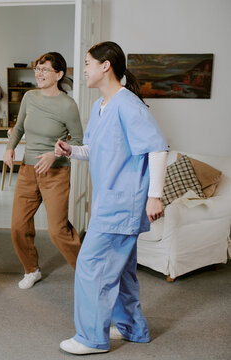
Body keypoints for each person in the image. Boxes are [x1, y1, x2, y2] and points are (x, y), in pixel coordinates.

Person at [56, 41, 168, 355]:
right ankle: (133, 329)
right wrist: (71, 150)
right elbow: (96, 150)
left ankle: (91, 337)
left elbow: (157, 147)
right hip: (111, 201)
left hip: (123, 203)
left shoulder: (127, 103)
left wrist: (154, 197)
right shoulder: (101, 105)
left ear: (106, 65)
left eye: (88, 63)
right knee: (122, 270)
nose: (85, 70)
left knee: (91, 266)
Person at [3, 52, 83, 290]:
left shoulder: (68, 106)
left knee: (58, 231)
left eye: (45, 70)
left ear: (59, 74)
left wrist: (55, 154)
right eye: (37, 69)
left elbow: (78, 141)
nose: (39, 74)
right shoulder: (29, 97)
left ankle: (87, 272)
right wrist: (10, 148)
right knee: (18, 227)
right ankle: (31, 269)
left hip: (56, 173)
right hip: (28, 170)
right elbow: (18, 129)